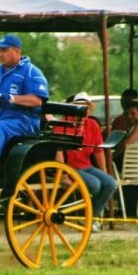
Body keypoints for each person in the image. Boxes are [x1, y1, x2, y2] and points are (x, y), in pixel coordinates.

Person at [0, 34, 48, 164]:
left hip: (24, 122)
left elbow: (37, 101)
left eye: (4, 50)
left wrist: (11, 98)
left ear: (17, 51)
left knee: (0, 126)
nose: (0, 54)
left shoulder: (31, 71)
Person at [55, 93, 117, 233]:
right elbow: (57, 151)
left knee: (110, 183)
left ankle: (90, 217)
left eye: (86, 107)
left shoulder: (93, 124)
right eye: (80, 107)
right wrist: (63, 175)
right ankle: (88, 218)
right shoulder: (64, 124)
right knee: (94, 185)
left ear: (90, 110)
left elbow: (98, 151)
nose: (84, 110)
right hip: (69, 167)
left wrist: (104, 172)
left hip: (86, 165)